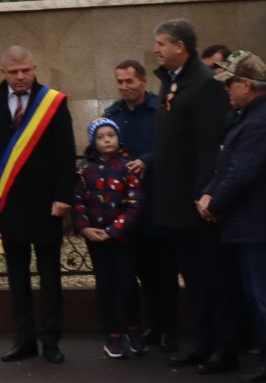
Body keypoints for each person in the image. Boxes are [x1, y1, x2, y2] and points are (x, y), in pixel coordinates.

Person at [199, 51, 266, 383]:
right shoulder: (246, 116)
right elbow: (225, 166)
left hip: (261, 226)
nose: (226, 89)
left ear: (246, 84)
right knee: (258, 299)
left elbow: (242, 172)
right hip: (247, 224)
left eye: (230, 83)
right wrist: (209, 194)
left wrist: (214, 203)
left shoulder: (262, 121)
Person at [0, 45, 75, 364]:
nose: (21, 77)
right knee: (17, 276)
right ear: (3, 71)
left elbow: (65, 153)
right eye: (14, 72)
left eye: (26, 71)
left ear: (34, 68)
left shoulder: (52, 102)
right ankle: (25, 339)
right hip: (10, 205)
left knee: (49, 276)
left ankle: (51, 340)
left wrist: (63, 196)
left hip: (46, 205)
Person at [150, 19, 237, 373]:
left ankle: (224, 348)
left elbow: (209, 147)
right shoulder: (172, 82)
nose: (156, 49)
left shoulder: (205, 85)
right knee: (195, 280)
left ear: (180, 47)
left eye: (161, 43)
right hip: (176, 206)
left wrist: (205, 195)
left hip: (198, 205)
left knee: (215, 278)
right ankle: (202, 343)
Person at [103, 58, 174, 353]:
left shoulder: (160, 110)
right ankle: (150, 327)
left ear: (144, 81)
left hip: (156, 202)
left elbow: (170, 146)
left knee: (163, 272)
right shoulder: (112, 114)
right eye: (120, 82)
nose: (124, 87)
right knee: (137, 272)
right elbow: (102, 147)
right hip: (124, 210)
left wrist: (147, 160)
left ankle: (169, 329)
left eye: (129, 81)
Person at [71, 118, 143, 359]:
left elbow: (135, 203)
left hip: (123, 239)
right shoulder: (84, 169)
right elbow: (77, 202)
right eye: (100, 137)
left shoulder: (128, 166)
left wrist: (114, 230)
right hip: (96, 240)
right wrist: (85, 229)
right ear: (93, 142)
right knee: (105, 286)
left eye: (110, 135)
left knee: (128, 284)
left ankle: (133, 328)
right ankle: (112, 335)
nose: (106, 140)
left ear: (118, 138)